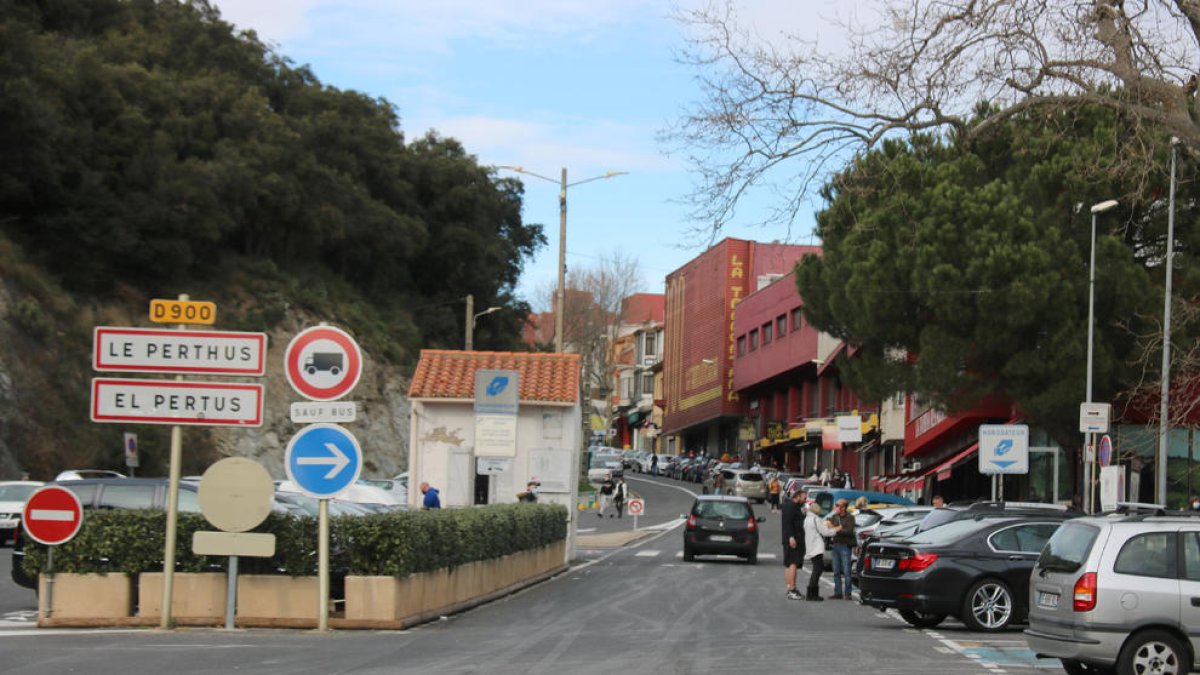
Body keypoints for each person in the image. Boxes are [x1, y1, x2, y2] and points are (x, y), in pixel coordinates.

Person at [804, 502, 840, 600]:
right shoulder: (815, 519)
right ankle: (812, 594)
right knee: (817, 569)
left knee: (816, 569)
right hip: (817, 547)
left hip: (810, 546)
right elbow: (825, 532)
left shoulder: (807, 519)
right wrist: (836, 529)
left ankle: (812, 592)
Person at [781, 486, 808, 600]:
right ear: (797, 497)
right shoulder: (791, 507)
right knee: (793, 563)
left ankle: (790, 588)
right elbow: (788, 523)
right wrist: (791, 537)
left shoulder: (794, 506)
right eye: (804, 498)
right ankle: (792, 589)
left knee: (789, 563)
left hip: (792, 538)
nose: (805, 500)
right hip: (793, 539)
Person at [827, 498, 856, 600]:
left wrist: (837, 529)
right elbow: (828, 525)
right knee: (836, 570)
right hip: (835, 544)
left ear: (843, 507)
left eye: (837, 505)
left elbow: (848, 531)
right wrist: (834, 527)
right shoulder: (834, 516)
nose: (835, 507)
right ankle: (838, 592)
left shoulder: (850, 517)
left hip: (845, 546)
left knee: (846, 571)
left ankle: (848, 593)